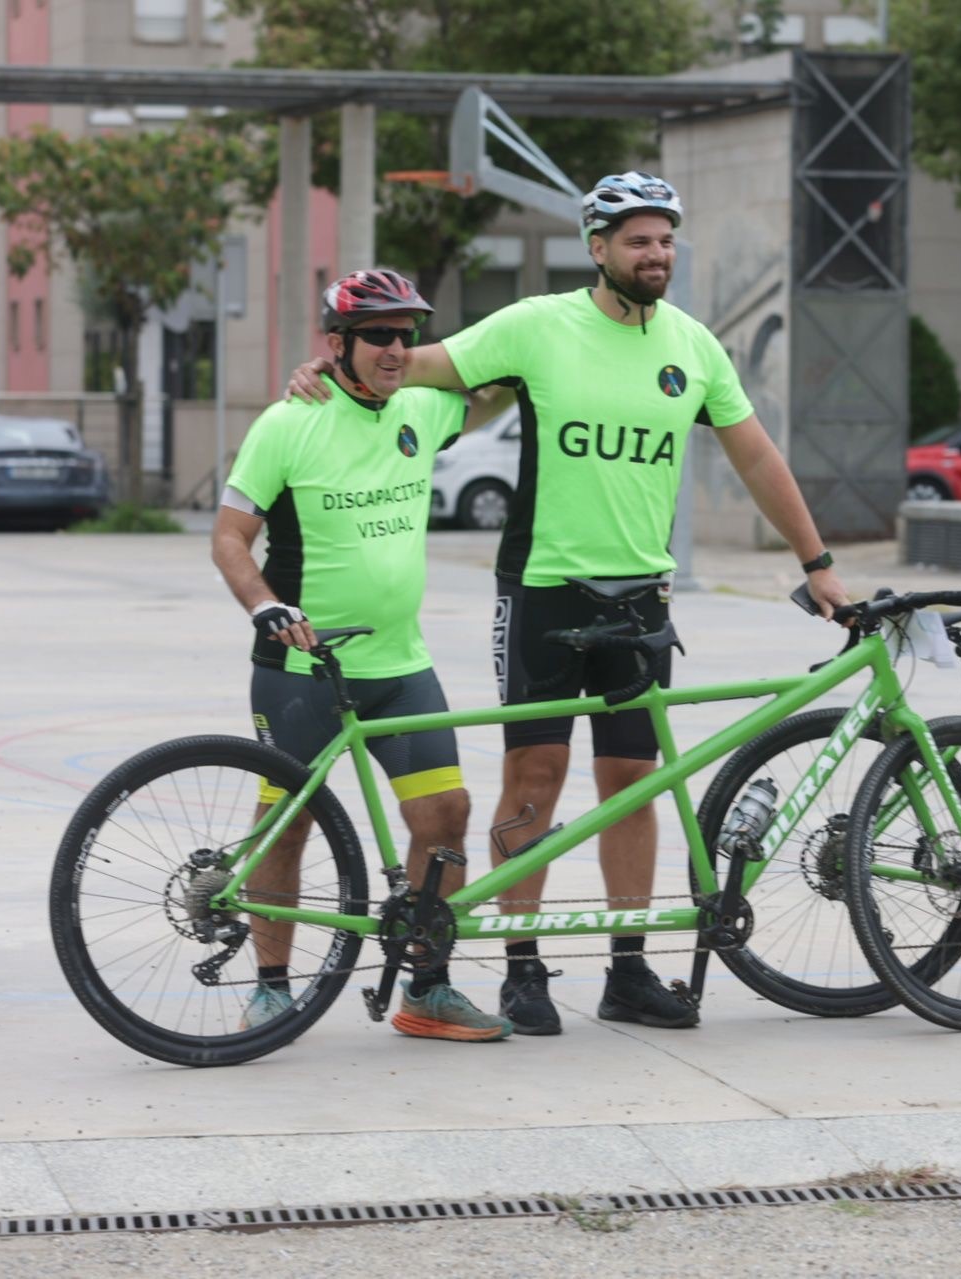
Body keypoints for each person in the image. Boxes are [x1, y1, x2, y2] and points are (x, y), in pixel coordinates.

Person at [286, 172, 850, 1035]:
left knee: (632, 782)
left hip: (640, 601)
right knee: (534, 778)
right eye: (637, 240)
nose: (655, 254)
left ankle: (628, 967)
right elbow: (407, 364)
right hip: (544, 591)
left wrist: (817, 561)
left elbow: (757, 456)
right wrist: (326, 367)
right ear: (597, 248)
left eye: (665, 240)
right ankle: (523, 966)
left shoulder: (694, 347)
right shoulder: (537, 326)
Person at [214, 268, 514, 1041]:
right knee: (286, 822)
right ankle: (272, 988)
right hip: (302, 667)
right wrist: (265, 603)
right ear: (337, 343)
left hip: (401, 663)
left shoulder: (424, 407)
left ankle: (427, 986)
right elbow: (229, 538)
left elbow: (508, 375)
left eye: (406, 333)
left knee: (444, 813)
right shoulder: (288, 422)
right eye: (378, 333)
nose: (396, 347)